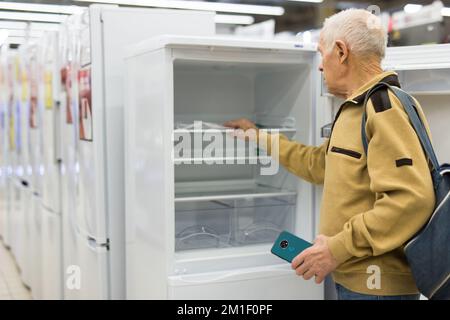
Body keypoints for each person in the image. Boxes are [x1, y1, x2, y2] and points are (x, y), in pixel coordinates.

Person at [224, 9, 435, 300]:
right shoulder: (354, 108)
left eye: (322, 54)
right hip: (355, 278)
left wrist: (336, 249)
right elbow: (318, 164)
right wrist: (257, 136)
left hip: (376, 287)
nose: (320, 67)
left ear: (341, 51)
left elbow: (410, 199)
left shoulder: (383, 107)